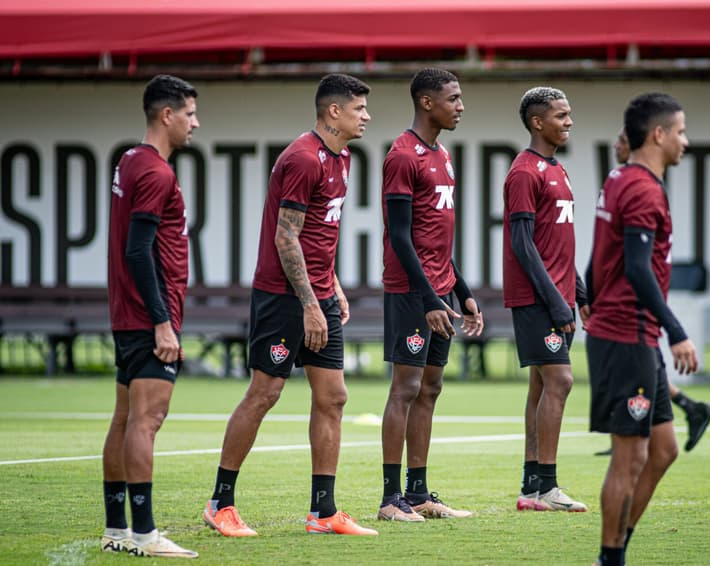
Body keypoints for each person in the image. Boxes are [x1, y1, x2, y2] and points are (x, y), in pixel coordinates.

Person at [202, 74, 377, 536]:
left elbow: (320, 235)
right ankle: (220, 503)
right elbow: (286, 236)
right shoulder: (301, 159)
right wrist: (309, 304)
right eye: (360, 108)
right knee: (265, 394)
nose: (367, 117)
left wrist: (333, 286)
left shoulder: (342, 159)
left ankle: (323, 512)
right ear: (333, 112)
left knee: (334, 397)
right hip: (284, 299)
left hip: (317, 294)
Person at [584, 92, 699, 566]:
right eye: (680, 131)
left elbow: (598, 256)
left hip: (634, 333)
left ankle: (619, 546)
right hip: (627, 334)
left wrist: (588, 295)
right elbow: (636, 268)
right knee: (629, 457)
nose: (685, 141)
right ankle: (611, 558)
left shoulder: (620, 177)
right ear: (659, 134)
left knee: (665, 449)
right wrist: (676, 330)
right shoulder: (644, 188)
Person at [378, 68, 484, 522]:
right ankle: (390, 498)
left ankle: (419, 493)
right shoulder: (402, 155)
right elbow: (400, 238)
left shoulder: (441, 154)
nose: (460, 106)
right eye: (453, 98)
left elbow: (437, 242)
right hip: (410, 293)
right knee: (405, 388)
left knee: (431, 387)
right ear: (427, 102)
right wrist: (428, 299)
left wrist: (462, 292)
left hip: (438, 292)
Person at [101, 74, 200, 558]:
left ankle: (117, 529)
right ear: (167, 115)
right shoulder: (157, 172)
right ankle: (144, 533)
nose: (195, 124)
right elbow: (138, 251)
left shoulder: (129, 160)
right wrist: (163, 321)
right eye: (190, 114)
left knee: (124, 419)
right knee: (147, 419)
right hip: (148, 316)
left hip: (127, 313)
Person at [592, 129, 710, 456]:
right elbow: (605, 257)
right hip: (626, 325)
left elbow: (631, 266)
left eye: (620, 140)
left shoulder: (634, 186)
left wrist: (675, 331)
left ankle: (543, 478)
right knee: (651, 449)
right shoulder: (622, 182)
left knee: (646, 452)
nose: (616, 145)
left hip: (630, 325)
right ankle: (688, 409)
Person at [502, 87, 587, 513]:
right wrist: (555, 300)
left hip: (558, 294)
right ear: (538, 122)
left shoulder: (557, 169)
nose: (569, 121)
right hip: (537, 298)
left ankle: (532, 488)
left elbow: (559, 244)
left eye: (569, 114)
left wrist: (581, 292)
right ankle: (549, 487)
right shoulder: (524, 172)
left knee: (541, 385)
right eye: (561, 115)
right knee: (561, 381)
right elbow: (522, 242)